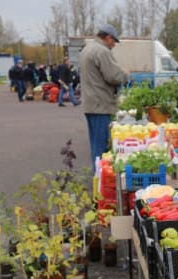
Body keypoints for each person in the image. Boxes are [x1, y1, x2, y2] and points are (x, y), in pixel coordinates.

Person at [79, 24, 129, 172]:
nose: (114, 45)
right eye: (114, 41)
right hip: (101, 104)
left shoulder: (87, 49)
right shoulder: (102, 51)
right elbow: (113, 76)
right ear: (107, 38)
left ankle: (97, 178)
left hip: (90, 103)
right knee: (102, 147)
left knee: (95, 144)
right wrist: (126, 74)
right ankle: (101, 181)